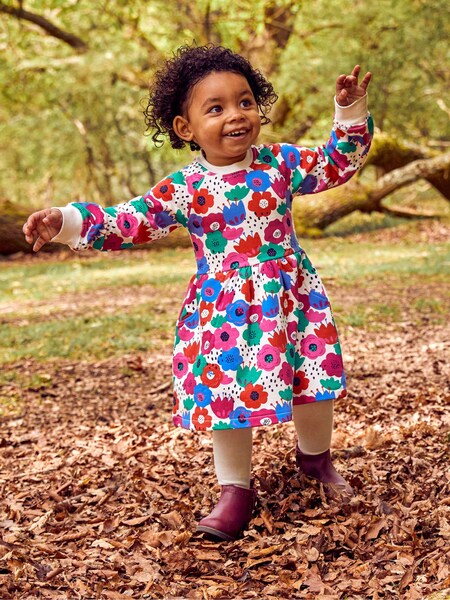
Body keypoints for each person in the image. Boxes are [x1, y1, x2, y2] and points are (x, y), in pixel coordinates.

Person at [23, 44, 373, 542]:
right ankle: (235, 490)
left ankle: (315, 460)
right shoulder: (185, 187)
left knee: (312, 381)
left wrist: (350, 110)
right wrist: (65, 221)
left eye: (245, 101)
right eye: (216, 108)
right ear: (185, 128)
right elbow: (130, 221)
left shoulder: (279, 163)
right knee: (228, 396)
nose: (236, 115)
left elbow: (338, 162)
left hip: (292, 300)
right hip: (227, 314)